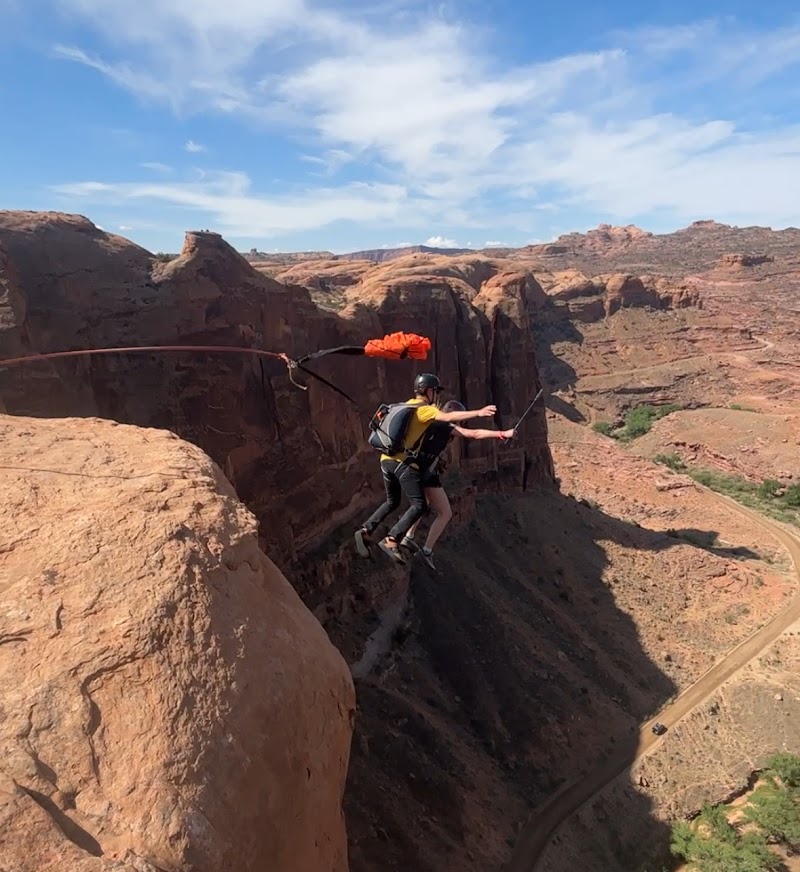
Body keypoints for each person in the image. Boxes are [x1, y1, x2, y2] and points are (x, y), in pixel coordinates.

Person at [354, 373, 498, 564]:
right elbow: (447, 417)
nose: (436, 396)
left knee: (392, 501)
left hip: (385, 459)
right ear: (429, 391)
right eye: (435, 391)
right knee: (419, 505)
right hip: (401, 462)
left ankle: (365, 531)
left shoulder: (407, 404)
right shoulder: (424, 410)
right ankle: (391, 539)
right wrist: (478, 413)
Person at [401, 400, 515, 569]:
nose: (461, 423)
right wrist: (502, 434)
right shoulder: (445, 426)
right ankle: (426, 550)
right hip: (426, 473)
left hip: (416, 469)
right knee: (445, 513)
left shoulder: (431, 423)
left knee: (423, 504)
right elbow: (474, 434)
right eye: (460, 420)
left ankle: (408, 537)